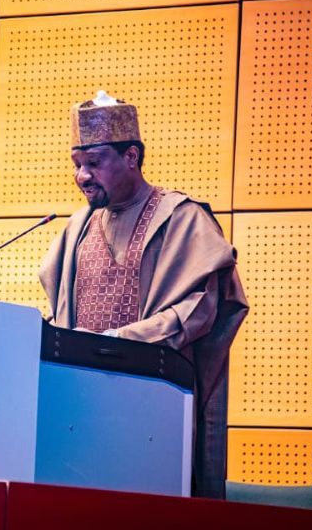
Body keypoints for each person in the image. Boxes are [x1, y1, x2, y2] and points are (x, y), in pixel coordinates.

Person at [39, 90, 249, 499]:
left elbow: (199, 310)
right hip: (79, 412)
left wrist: (117, 343)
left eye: (94, 163)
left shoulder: (181, 218)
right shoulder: (76, 228)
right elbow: (60, 318)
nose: (82, 176)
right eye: (77, 164)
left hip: (152, 407)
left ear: (131, 156)